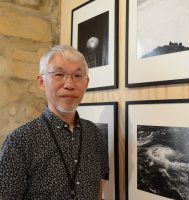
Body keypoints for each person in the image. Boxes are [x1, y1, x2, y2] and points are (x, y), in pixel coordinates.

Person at [0, 45, 109, 200]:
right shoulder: (20, 142)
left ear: (86, 83)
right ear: (41, 82)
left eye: (78, 76)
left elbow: (98, 188)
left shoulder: (94, 133)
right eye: (59, 74)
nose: (69, 84)